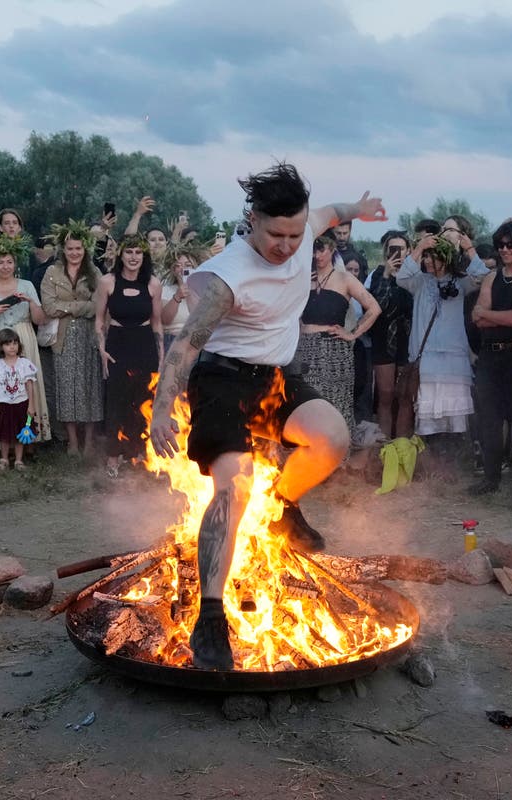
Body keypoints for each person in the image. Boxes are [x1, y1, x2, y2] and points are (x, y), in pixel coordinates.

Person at [148, 163, 385, 671]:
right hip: (221, 380)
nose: (286, 245)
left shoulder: (305, 230)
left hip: (273, 375)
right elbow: (186, 345)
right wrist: (163, 409)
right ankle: (210, 615)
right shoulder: (226, 278)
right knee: (234, 485)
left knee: (332, 437)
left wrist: (359, 210)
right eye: (275, 234)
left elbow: (334, 212)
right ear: (252, 220)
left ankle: (282, 507)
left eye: (295, 234)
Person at [396, 227, 489, 445]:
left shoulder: (461, 282)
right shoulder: (419, 282)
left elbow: (483, 276)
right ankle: (430, 459)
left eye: (433, 257)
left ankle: (452, 461)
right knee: (426, 413)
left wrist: (469, 249)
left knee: (453, 415)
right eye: (427, 257)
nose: (428, 261)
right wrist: (420, 247)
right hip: (426, 359)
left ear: (446, 259)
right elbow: (401, 278)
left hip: (453, 361)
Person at [469, 219, 512, 496]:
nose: (505, 249)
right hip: (489, 357)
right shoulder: (490, 277)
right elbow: (477, 317)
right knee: (489, 420)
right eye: (501, 245)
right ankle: (491, 478)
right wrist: (493, 317)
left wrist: (490, 315)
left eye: (511, 244)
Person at [294, 230, 380, 436]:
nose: (317, 256)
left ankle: (338, 460)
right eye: (313, 251)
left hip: (335, 351)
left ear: (332, 248)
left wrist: (352, 334)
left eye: (321, 250)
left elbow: (374, 308)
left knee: (335, 406)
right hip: (303, 349)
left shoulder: (345, 279)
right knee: (303, 407)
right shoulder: (303, 278)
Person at [95, 234, 163, 476]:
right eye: (129, 252)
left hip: (144, 345)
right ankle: (113, 457)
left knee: (142, 400)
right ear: (121, 255)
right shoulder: (107, 282)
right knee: (116, 401)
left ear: (143, 256)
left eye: (138, 253)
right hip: (117, 345)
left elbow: (157, 324)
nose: (133, 257)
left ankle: (137, 453)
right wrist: (102, 349)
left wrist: (162, 357)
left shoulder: (153, 284)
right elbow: (99, 320)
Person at [0, 240, 51, 448]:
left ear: (15, 264)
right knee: (2, 388)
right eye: (1, 262)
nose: (6, 266)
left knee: (27, 386)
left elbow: (40, 319)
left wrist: (31, 302)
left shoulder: (26, 285)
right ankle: (4, 440)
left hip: (23, 337)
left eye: (9, 262)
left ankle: (30, 437)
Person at [41, 224, 104, 455]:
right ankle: (72, 441)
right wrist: (81, 307)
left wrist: (67, 307)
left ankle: (88, 441)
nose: (75, 252)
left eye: (78, 248)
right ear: (63, 249)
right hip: (63, 336)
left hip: (90, 336)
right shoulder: (52, 273)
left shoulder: (94, 273)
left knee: (91, 387)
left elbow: (99, 306)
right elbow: (48, 306)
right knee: (66, 388)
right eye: (70, 248)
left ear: (84, 249)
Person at [366, 231, 416, 438]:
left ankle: (403, 444)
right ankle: (385, 444)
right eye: (392, 249)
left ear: (409, 250)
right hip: (383, 340)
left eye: (401, 249)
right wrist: (387, 274)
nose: (397, 253)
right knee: (385, 395)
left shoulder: (415, 275)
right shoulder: (377, 274)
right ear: (386, 251)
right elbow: (378, 306)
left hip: (409, 340)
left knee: (405, 396)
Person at [0, 328, 38, 472]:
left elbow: (30, 385)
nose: (12, 346)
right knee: (4, 433)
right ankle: (3, 459)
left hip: (21, 404)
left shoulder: (24, 363)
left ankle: (18, 460)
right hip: (3, 405)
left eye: (15, 343)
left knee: (21, 432)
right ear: (1, 347)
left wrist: (31, 405)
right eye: (8, 344)